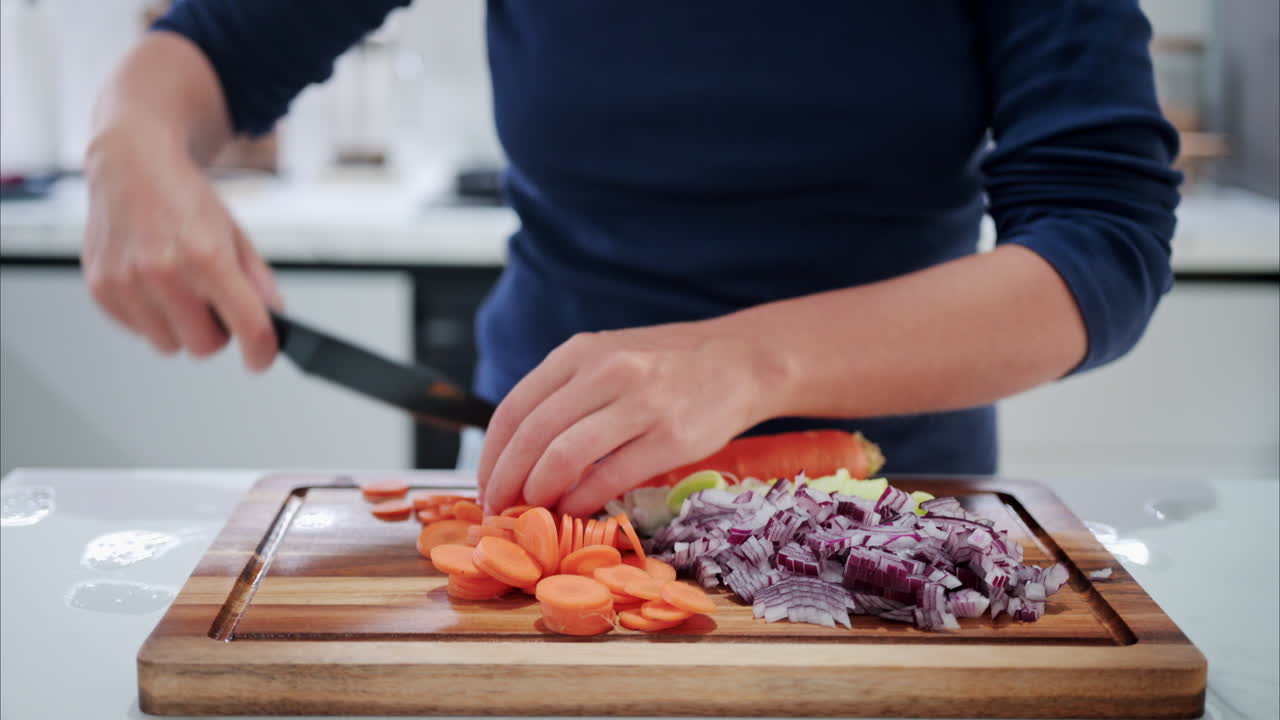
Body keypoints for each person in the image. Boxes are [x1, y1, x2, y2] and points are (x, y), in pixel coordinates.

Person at [82, 2, 1181, 517]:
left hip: (887, 514)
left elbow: (1100, 242)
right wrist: (129, 145)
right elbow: (210, 50)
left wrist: (749, 363)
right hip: (555, 496)